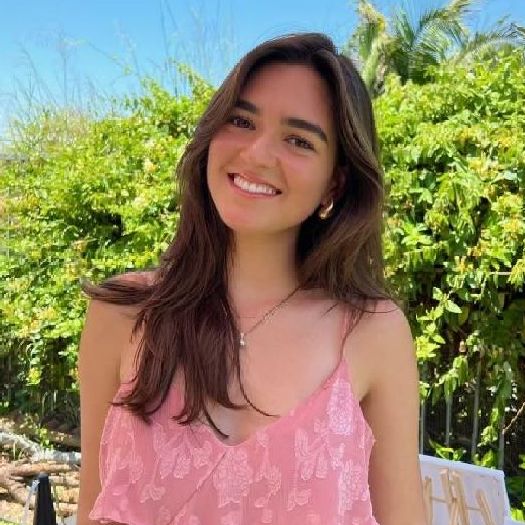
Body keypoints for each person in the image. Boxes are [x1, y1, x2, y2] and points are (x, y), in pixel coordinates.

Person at [77, 32, 427, 525]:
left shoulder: (374, 332)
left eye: (299, 140)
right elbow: (91, 508)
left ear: (335, 182)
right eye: (241, 121)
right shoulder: (123, 312)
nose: (258, 153)